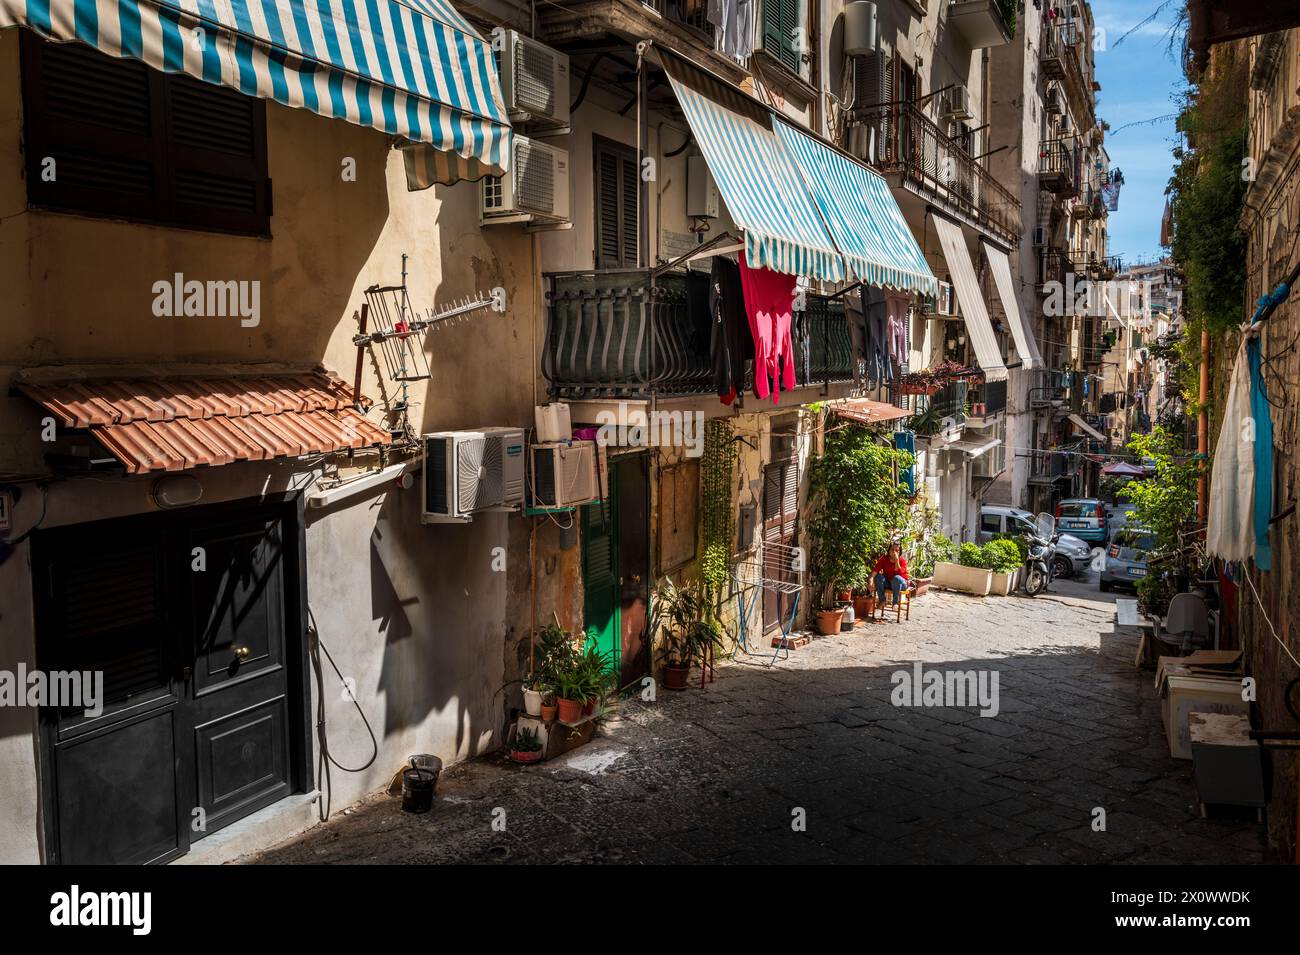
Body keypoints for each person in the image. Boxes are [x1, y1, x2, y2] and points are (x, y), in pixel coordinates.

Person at [872, 543, 910, 607]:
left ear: (899, 552)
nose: (894, 552)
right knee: (878, 577)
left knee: (896, 578)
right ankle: (882, 600)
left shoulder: (902, 560)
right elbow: (876, 570)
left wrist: (896, 560)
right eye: (892, 549)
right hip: (889, 583)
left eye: (897, 550)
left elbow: (898, 573)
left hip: (901, 584)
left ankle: (895, 603)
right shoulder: (884, 558)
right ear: (889, 550)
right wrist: (870, 580)